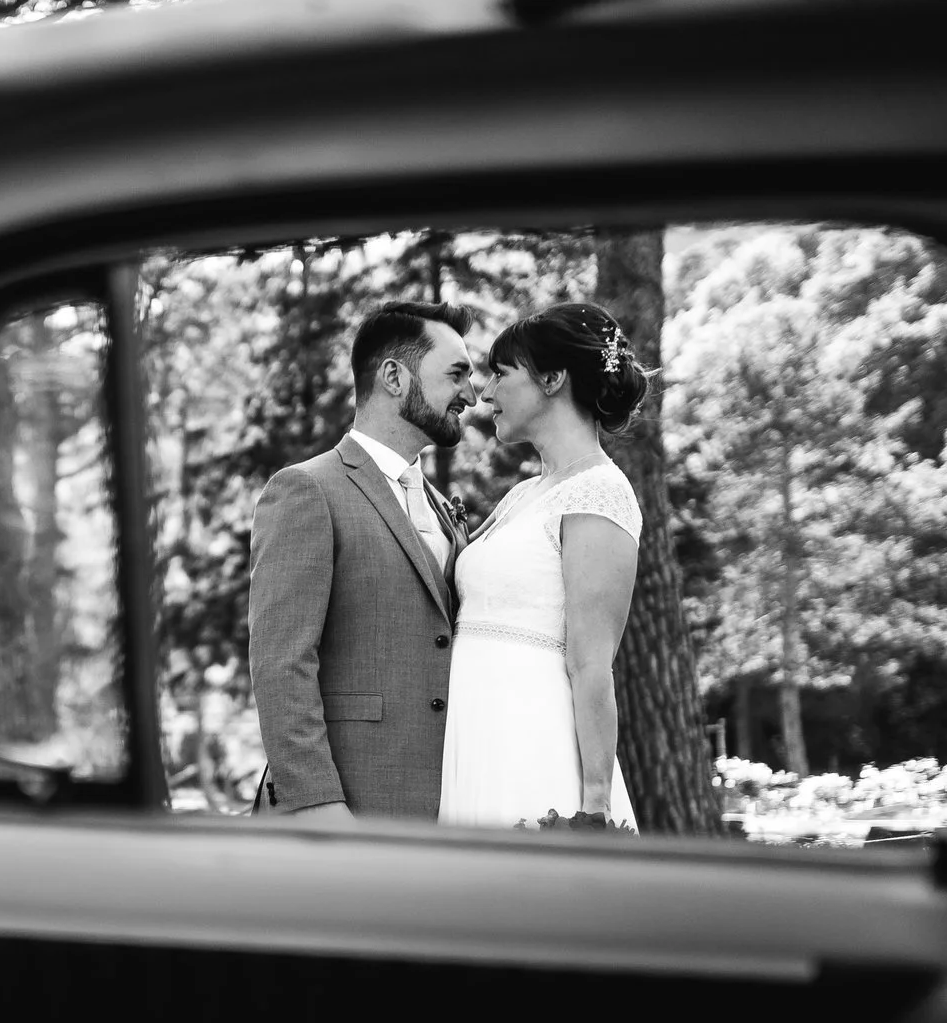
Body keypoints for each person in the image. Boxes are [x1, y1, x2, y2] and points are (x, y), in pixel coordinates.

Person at [248, 299, 475, 820]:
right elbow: (281, 662)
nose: (470, 393)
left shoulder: (441, 505)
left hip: (442, 804)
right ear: (395, 376)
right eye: (457, 373)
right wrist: (317, 803)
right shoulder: (307, 489)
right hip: (344, 806)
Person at [438, 302, 649, 831]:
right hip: (477, 740)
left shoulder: (600, 492)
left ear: (552, 379)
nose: (484, 394)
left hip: (532, 747)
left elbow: (591, 665)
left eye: (500, 375)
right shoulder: (528, 493)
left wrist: (595, 804)